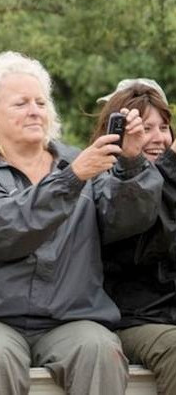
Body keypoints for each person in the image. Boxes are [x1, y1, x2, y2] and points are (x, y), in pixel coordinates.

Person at [0, 51, 164, 395]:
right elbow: (4, 231)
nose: (35, 110)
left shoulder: (80, 162)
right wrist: (71, 179)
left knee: (99, 348)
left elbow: (127, 221)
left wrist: (132, 164)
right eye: (21, 104)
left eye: (41, 102)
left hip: (71, 319)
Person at [92, 79, 176, 394]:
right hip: (130, 318)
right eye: (145, 128)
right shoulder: (103, 182)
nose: (157, 138)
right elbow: (145, 242)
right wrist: (170, 168)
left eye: (164, 127)